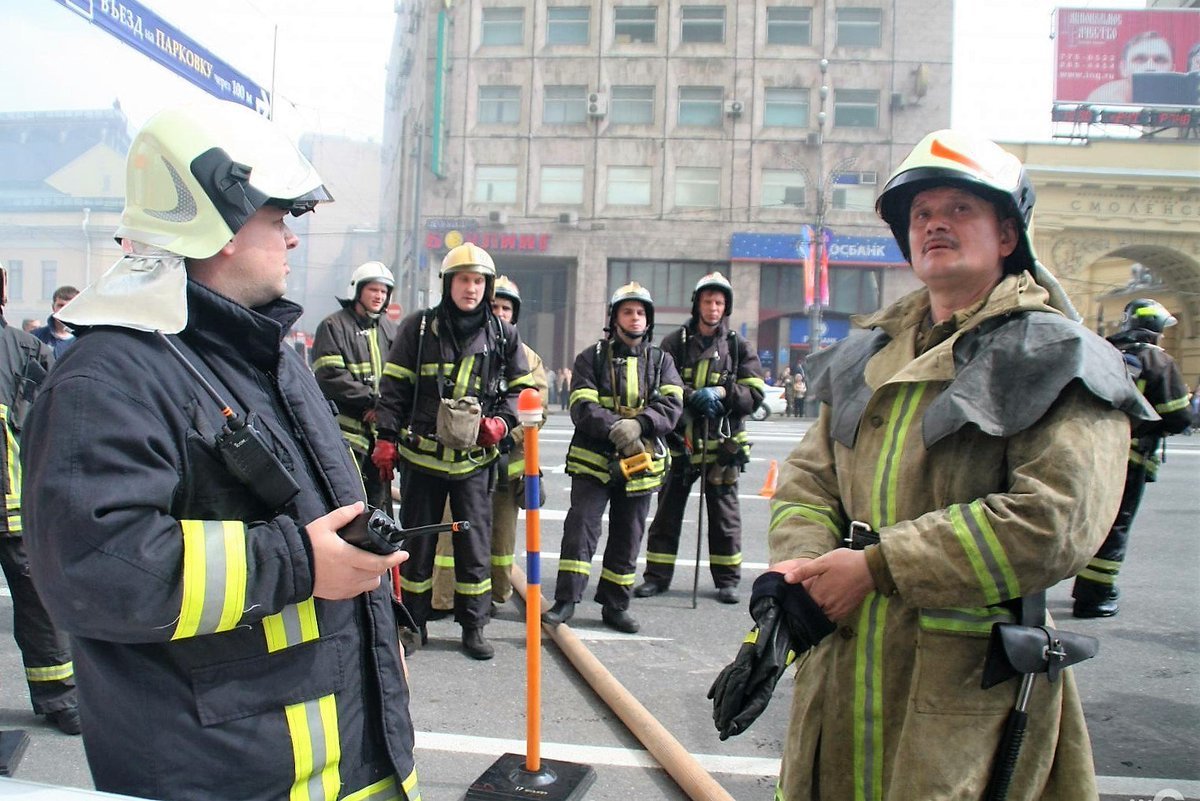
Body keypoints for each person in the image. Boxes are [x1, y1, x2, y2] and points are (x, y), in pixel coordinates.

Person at [21, 104, 420, 800]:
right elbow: (92, 568)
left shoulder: (267, 357)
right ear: (223, 222)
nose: (292, 239)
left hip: (352, 753)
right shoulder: (106, 376)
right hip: (236, 772)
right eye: (278, 217)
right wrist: (298, 563)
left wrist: (379, 632)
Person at [765, 130, 1153, 799]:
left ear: (1008, 234)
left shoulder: (1057, 355)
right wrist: (802, 562)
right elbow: (809, 478)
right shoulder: (866, 353)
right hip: (848, 654)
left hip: (969, 680)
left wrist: (879, 565)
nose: (934, 222)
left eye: (959, 209)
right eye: (921, 213)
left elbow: (1054, 521)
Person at [372, 244, 534, 660]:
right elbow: (393, 388)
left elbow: (522, 392)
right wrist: (386, 438)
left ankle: (474, 626)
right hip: (422, 459)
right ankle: (413, 624)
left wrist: (501, 423)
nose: (471, 288)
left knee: (474, 548)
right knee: (418, 547)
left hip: (474, 465)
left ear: (488, 285)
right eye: (463, 279)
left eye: (479, 281)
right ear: (448, 284)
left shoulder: (503, 335)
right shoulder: (419, 328)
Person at [542, 283, 683, 632]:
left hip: (639, 465)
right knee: (580, 529)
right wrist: (615, 428)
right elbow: (581, 405)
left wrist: (640, 425)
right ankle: (566, 600)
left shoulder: (663, 361)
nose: (634, 318)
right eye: (627, 311)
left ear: (647, 320)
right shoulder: (590, 357)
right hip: (593, 463)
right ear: (614, 317)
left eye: (640, 312)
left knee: (628, 535)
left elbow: (672, 404)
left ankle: (615, 605)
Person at [635, 272, 764, 604]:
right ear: (697, 304)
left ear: (726, 307)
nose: (713, 307)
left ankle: (727, 581)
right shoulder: (674, 343)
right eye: (707, 301)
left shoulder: (738, 346)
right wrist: (691, 395)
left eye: (719, 302)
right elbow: (658, 384)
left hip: (722, 446)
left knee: (724, 517)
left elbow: (755, 393)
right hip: (682, 443)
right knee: (667, 513)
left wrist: (722, 391)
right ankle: (657, 577)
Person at [429, 276, 549, 617]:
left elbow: (534, 410)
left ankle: (494, 593)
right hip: (463, 458)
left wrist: (503, 431)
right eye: (495, 306)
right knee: (452, 533)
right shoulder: (465, 344)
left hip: (506, 463)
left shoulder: (527, 357)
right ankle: (443, 597)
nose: (499, 312)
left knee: (499, 537)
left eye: (506, 308)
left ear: (515, 314)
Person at [1072, 298, 1192, 618]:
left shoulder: (1101, 350)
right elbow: (1179, 417)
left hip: (1088, 450)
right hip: (1130, 455)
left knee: (1085, 516)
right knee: (1116, 522)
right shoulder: (1157, 362)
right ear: (1153, 329)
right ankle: (1095, 595)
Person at [0, 263, 79, 736]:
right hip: (19, 507)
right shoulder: (26, 348)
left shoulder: (25, 350)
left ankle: (60, 697)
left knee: (40, 606)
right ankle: (62, 700)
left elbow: (56, 427)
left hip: (17, 509)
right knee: (39, 603)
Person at [311, 260, 399, 514]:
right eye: (373, 289)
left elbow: (400, 378)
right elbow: (329, 376)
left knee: (380, 505)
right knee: (348, 501)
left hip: (380, 434)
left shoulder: (390, 329)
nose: (379, 296)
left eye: (383, 291)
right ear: (357, 291)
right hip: (346, 435)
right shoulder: (333, 326)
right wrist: (372, 401)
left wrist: (385, 408)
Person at [1086, 30, 1174, 104]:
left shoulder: (1185, 100)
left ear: (1173, 71)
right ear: (1123, 68)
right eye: (1140, 59)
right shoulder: (1102, 99)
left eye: (1160, 60)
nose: (1150, 67)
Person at [29, 286, 79, 359]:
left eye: (69, 306)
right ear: (53, 307)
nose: (64, 310)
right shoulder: (36, 337)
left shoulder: (85, 339)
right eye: (61, 306)